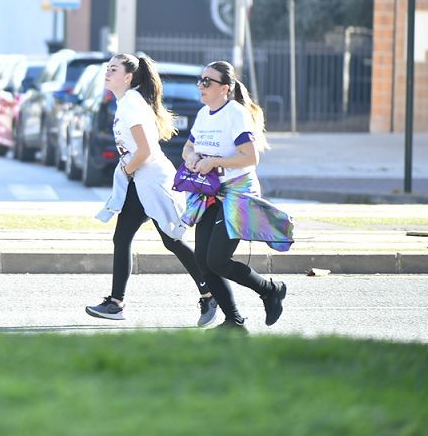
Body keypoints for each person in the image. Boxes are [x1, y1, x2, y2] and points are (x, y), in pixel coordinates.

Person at [87, 54, 223, 326]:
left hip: (151, 180)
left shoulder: (131, 105)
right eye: (107, 68)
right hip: (141, 181)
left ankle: (210, 294)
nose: (107, 72)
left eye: (113, 69)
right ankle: (116, 303)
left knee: (171, 240)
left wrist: (126, 170)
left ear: (127, 77)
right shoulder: (128, 102)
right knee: (123, 237)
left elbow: (146, 151)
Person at [180, 61, 295, 332]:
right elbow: (187, 147)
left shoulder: (235, 114)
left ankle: (270, 290)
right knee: (203, 261)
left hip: (236, 193)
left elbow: (250, 157)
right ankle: (234, 321)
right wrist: (193, 157)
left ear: (226, 88)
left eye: (208, 81)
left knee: (218, 260)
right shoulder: (203, 114)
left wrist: (213, 162)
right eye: (200, 80)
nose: (201, 85)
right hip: (208, 193)